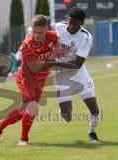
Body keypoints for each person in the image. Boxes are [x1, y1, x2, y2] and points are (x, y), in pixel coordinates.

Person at [0, 15, 65, 146]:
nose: (36, 35)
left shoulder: (54, 37)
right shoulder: (27, 45)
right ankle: (23, 138)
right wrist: (53, 56)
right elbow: (36, 67)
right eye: (34, 31)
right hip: (26, 77)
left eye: (40, 32)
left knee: (22, 111)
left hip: (41, 79)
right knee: (33, 108)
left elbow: (67, 41)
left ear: (46, 29)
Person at [37, 8, 100, 141]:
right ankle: (65, 110)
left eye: (75, 24)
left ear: (82, 23)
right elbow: (46, 39)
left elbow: (77, 63)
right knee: (67, 117)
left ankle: (92, 132)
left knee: (94, 110)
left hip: (79, 74)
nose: (71, 26)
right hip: (61, 76)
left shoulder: (86, 37)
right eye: (70, 23)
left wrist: (52, 65)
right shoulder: (59, 26)